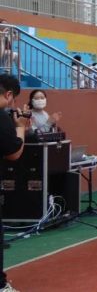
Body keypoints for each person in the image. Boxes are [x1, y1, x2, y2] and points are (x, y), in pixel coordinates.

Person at [0, 74, 25, 292]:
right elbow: (14, 153)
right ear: (8, 94)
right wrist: (21, 128)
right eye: (13, 99)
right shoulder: (2, 118)